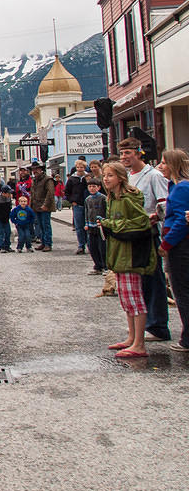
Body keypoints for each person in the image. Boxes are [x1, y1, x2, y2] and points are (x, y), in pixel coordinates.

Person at [98, 162, 156, 358]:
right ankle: (131, 338)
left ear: (121, 178)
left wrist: (110, 224)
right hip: (119, 252)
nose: (106, 179)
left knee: (134, 298)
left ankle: (139, 343)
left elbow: (141, 221)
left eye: (111, 176)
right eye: (105, 175)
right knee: (126, 298)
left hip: (131, 253)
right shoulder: (112, 198)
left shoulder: (127, 197)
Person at [119, 137, 171, 342]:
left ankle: (158, 325)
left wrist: (155, 216)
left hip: (150, 233)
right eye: (122, 153)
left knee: (153, 279)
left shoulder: (154, 176)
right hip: (133, 233)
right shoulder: (128, 177)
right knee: (137, 281)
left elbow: (165, 204)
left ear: (138, 152)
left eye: (128, 153)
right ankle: (143, 325)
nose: (124, 157)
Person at [158, 149, 189, 353]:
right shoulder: (176, 186)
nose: (160, 166)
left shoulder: (181, 187)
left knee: (182, 291)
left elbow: (181, 220)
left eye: (163, 163)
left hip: (181, 246)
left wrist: (166, 243)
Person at [65, 159, 90, 254]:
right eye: (78, 167)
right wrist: (72, 201)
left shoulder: (88, 177)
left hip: (88, 205)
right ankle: (81, 245)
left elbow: (93, 188)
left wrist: (88, 181)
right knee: (79, 226)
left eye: (82, 167)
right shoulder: (72, 178)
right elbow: (67, 191)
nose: (80, 169)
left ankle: (90, 245)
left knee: (88, 226)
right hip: (77, 205)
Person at [29, 162, 55, 251]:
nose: (34, 171)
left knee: (46, 225)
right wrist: (30, 206)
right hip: (36, 206)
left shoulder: (48, 179)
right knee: (40, 226)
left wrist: (46, 205)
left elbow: (50, 193)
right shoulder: (34, 180)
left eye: (36, 169)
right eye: (33, 169)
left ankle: (48, 243)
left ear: (41, 169)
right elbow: (32, 194)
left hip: (45, 206)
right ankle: (43, 243)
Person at [84, 178, 107, 275]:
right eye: (90, 186)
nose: (92, 188)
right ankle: (97, 266)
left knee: (102, 247)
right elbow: (86, 212)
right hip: (91, 226)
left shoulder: (103, 198)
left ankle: (105, 266)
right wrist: (86, 223)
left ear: (99, 187)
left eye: (94, 186)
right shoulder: (87, 199)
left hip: (100, 226)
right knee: (92, 247)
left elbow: (106, 211)